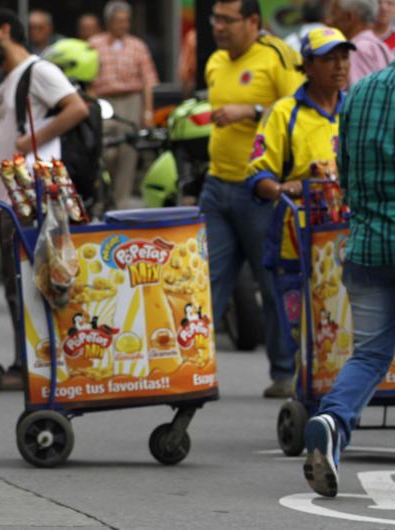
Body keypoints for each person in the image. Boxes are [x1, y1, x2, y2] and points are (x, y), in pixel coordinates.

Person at [0, 8, 89, 389]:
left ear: (5, 30)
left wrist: (29, 140)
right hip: (12, 199)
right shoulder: (9, 80)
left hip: (33, 199)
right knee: (16, 284)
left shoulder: (39, 71)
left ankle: (38, 365)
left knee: (33, 283)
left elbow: (77, 108)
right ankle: (30, 362)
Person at [302, 47, 395, 501]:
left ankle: (333, 421)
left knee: (370, 354)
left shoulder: (357, 93)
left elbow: (347, 173)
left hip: (367, 242)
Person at [202, 0, 304, 398]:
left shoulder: (277, 56)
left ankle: (284, 372)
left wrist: (254, 109)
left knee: (273, 279)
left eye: (228, 20)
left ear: (253, 22)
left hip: (262, 191)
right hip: (217, 185)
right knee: (204, 278)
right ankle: (190, 369)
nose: (219, 27)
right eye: (216, 19)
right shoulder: (214, 62)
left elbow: (300, 109)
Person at [246, 27, 352, 368]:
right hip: (298, 238)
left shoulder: (356, 109)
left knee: (348, 323)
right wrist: (284, 188)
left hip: (350, 237)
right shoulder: (283, 113)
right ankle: (303, 384)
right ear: (307, 65)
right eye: (328, 59)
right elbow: (258, 175)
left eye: (343, 57)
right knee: (303, 328)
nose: (339, 66)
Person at [88, 0, 159, 207]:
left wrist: (147, 112)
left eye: (126, 21)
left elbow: (147, 82)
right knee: (105, 150)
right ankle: (104, 196)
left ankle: (121, 200)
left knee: (129, 152)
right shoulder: (94, 44)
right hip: (104, 101)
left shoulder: (138, 45)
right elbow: (88, 79)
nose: (123, 25)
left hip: (131, 101)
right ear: (108, 21)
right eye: (119, 21)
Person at [330, 0, 392, 86]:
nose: (330, 21)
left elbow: (357, 92)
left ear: (349, 17)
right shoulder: (380, 45)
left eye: (334, 13)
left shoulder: (357, 48)